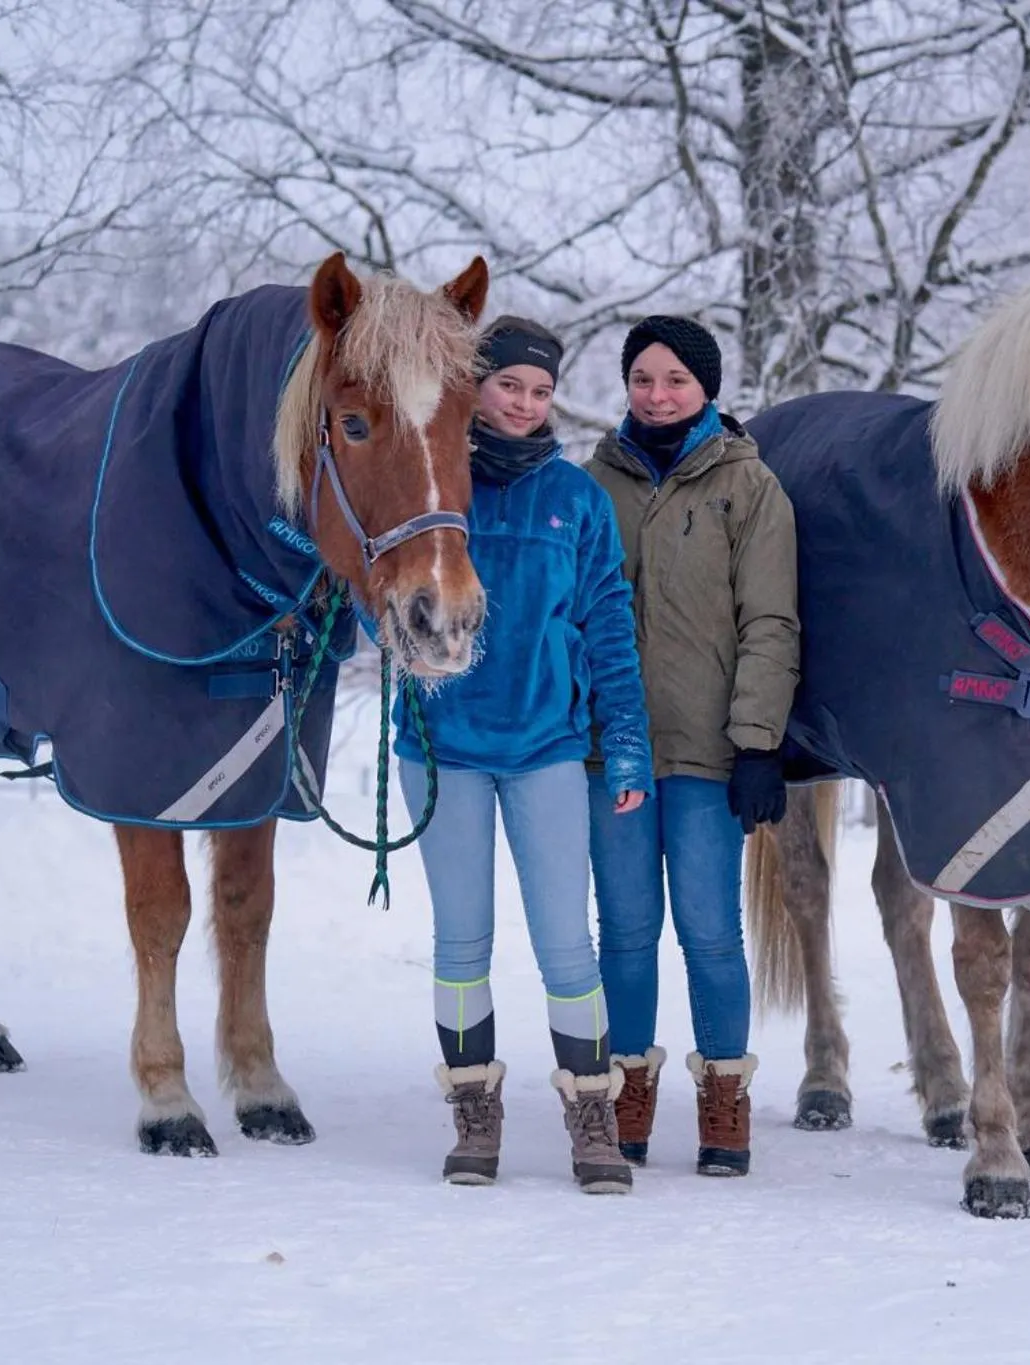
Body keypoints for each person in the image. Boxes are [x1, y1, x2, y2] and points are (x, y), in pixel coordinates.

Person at [398, 315, 654, 1195]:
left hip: (546, 747)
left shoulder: (576, 499)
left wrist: (626, 744)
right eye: (509, 384)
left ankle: (592, 1117)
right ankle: (474, 1112)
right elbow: (377, 586)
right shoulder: (435, 481)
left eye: (541, 391)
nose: (524, 403)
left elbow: (608, 626)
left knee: (566, 943)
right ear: (475, 387)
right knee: (461, 938)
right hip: (443, 749)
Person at [583, 315, 799, 1177]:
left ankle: (723, 1098)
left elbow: (770, 622)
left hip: (711, 755)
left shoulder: (749, 487)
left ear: (707, 387)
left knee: (710, 933)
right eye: (643, 378)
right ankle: (627, 1091)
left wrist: (758, 742)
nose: (658, 394)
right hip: (613, 754)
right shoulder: (593, 483)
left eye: (676, 379)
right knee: (626, 932)